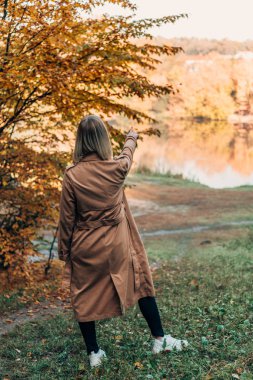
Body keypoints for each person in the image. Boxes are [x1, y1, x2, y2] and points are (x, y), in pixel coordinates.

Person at [57, 114, 188, 368]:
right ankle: (159, 339)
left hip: (85, 246)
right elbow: (127, 156)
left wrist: (64, 251)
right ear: (103, 139)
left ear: (80, 141)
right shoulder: (116, 169)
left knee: (83, 295)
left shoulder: (72, 175)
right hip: (117, 244)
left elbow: (66, 219)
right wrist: (131, 137)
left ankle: (94, 353)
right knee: (140, 280)